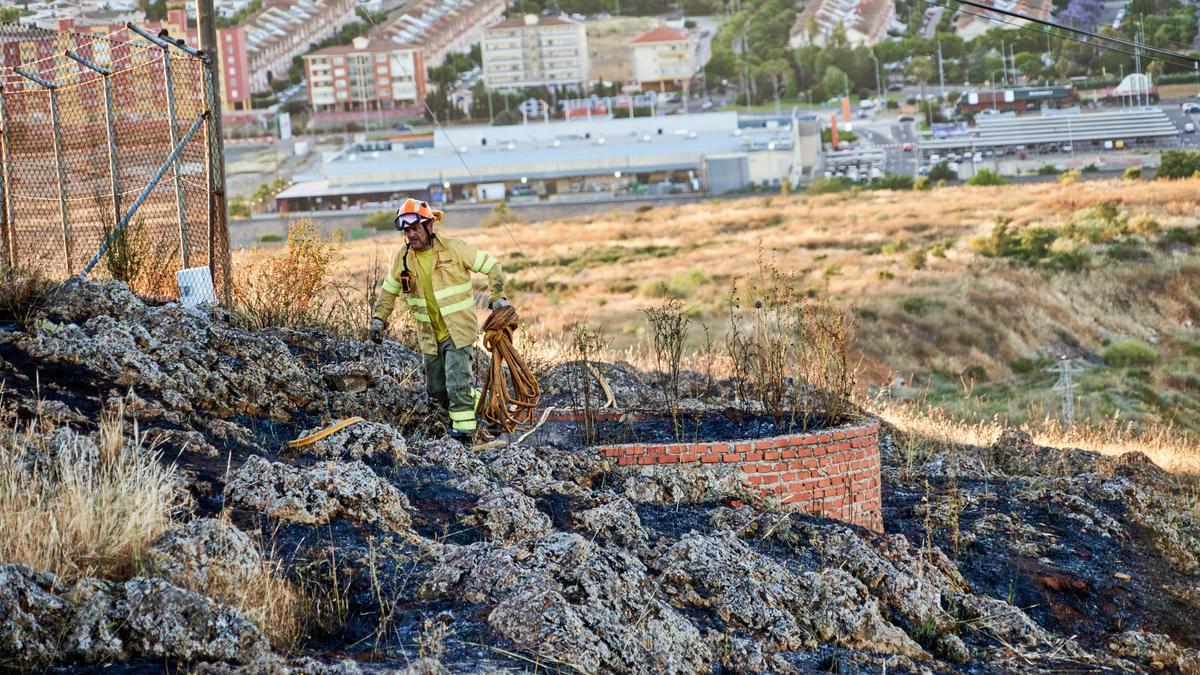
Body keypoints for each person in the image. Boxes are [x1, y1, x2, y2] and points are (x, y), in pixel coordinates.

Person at [369, 198, 507, 443]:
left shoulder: (453, 249)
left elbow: (492, 266)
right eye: (406, 230)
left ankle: (463, 433)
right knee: (437, 392)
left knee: (456, 384)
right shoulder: (403, 260)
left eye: (415, 228)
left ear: (429, 226)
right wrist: (379, 319)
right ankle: (488, 406)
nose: (410, 235)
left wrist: (497, 297)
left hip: (458, 332)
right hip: (430, 336)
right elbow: (389, 291)